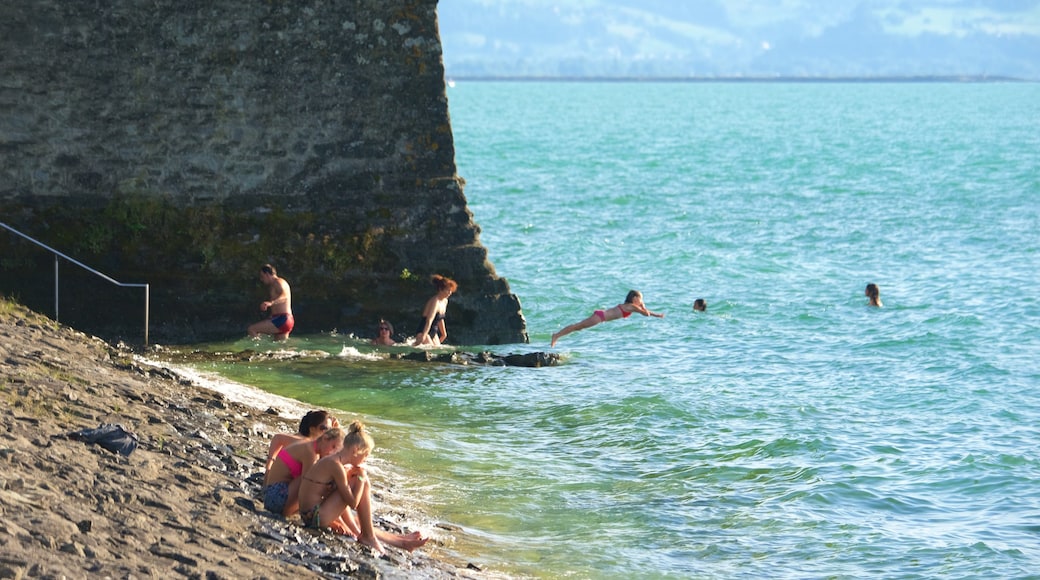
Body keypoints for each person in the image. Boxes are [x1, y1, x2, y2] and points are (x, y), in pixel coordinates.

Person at [297, 420, 429, 555]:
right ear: (355, 450)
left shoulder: (334, 462)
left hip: (311, 514)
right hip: (314, 517)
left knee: (359, 485)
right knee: (361, 481)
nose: (365, 460)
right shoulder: (335, 466)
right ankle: (369, 537)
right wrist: (360, 478)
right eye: (365, 455)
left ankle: (394, 540)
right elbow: (353, 503)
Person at [263, 427, 345, 517]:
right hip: (274, 497)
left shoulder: (309, 444)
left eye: (336, 451)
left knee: (322, 480)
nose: (332, 452)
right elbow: (307, 486)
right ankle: (289, 512)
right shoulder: (311, 453)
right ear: (325, 438)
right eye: (333, 446)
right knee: (310, 480)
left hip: (271, 494)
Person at [551, 290, 665, 347]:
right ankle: (556, 335)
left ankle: (557, 335)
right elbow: (646, 314)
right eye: (641, 299)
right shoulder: (632, 306)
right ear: (635, 298)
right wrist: (643, 306)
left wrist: (657, 315)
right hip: (600, 317)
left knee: (578, 327)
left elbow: (648, 313)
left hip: (600, 316)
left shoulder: (631, 306)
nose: (641, 301)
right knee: (577, 326)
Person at [263, 410, 338, 478]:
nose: (329, 432)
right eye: (325, 428)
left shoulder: (309, 442)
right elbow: (278, 437)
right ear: (312, 429)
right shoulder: (304, 443)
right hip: (285, 484)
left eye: (331, 429)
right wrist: (268, 468)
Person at [248, 264, 294, 340]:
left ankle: (259, 350)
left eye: (262, 276)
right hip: (284, 319)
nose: (261, 279)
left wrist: (271, 303)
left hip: (282, 319)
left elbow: (284, 296)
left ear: (267, 274)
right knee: (280, 348)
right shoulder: (273, 285)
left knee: (252, 329)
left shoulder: (279, 282)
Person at [413, 274, 457, 347]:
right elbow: (429, 320)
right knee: (430, 350)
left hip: (434, 332)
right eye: (447, 290)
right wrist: (424, 335)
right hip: (424, 330)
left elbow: (440, 318)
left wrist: (444, 334)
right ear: (440, 289)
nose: (449, 293)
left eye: (450, 290)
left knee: (438, 351)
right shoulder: (435, 301)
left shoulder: (445, 301)